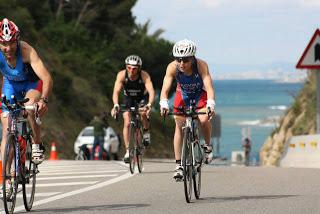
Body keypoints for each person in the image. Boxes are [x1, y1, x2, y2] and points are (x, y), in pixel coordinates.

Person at [159, 39, 216, 180]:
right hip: (182, 95)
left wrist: (210, 104)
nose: (181, 64)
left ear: (192, 58)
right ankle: (179, 165)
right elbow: (165, 88)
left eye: (185, 60)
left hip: (199, 95)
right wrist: (164, 103)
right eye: (178, 60)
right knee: (178, 126)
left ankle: (207, 146)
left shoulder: (201, 65)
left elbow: (209, 86)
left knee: (203, 119)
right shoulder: (172, 67)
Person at [0, 18, 53, 164]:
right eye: (3, 44)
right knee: (6, 131)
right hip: (10, 85)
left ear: (17, 40)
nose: (8, 48)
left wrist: (44, 100)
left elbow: (47, 78)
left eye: (11, 43)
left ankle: (36, 144)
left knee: (29, 107)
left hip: (31, 84)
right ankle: (5, 179)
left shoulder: (26, 51)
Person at [111, 55, 155, 163]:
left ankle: (146, 132)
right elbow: (116, 92)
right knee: (126, 121)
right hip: (128, 98)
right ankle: (127, 151)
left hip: (141, 98)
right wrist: (116, 105)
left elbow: (151, 91)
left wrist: (149, 104)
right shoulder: (121, 75)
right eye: (129, 67)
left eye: (134, 68)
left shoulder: (144, 75)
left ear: (139, 68)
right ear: (126, 67)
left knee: (143, 113)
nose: (131, 70)